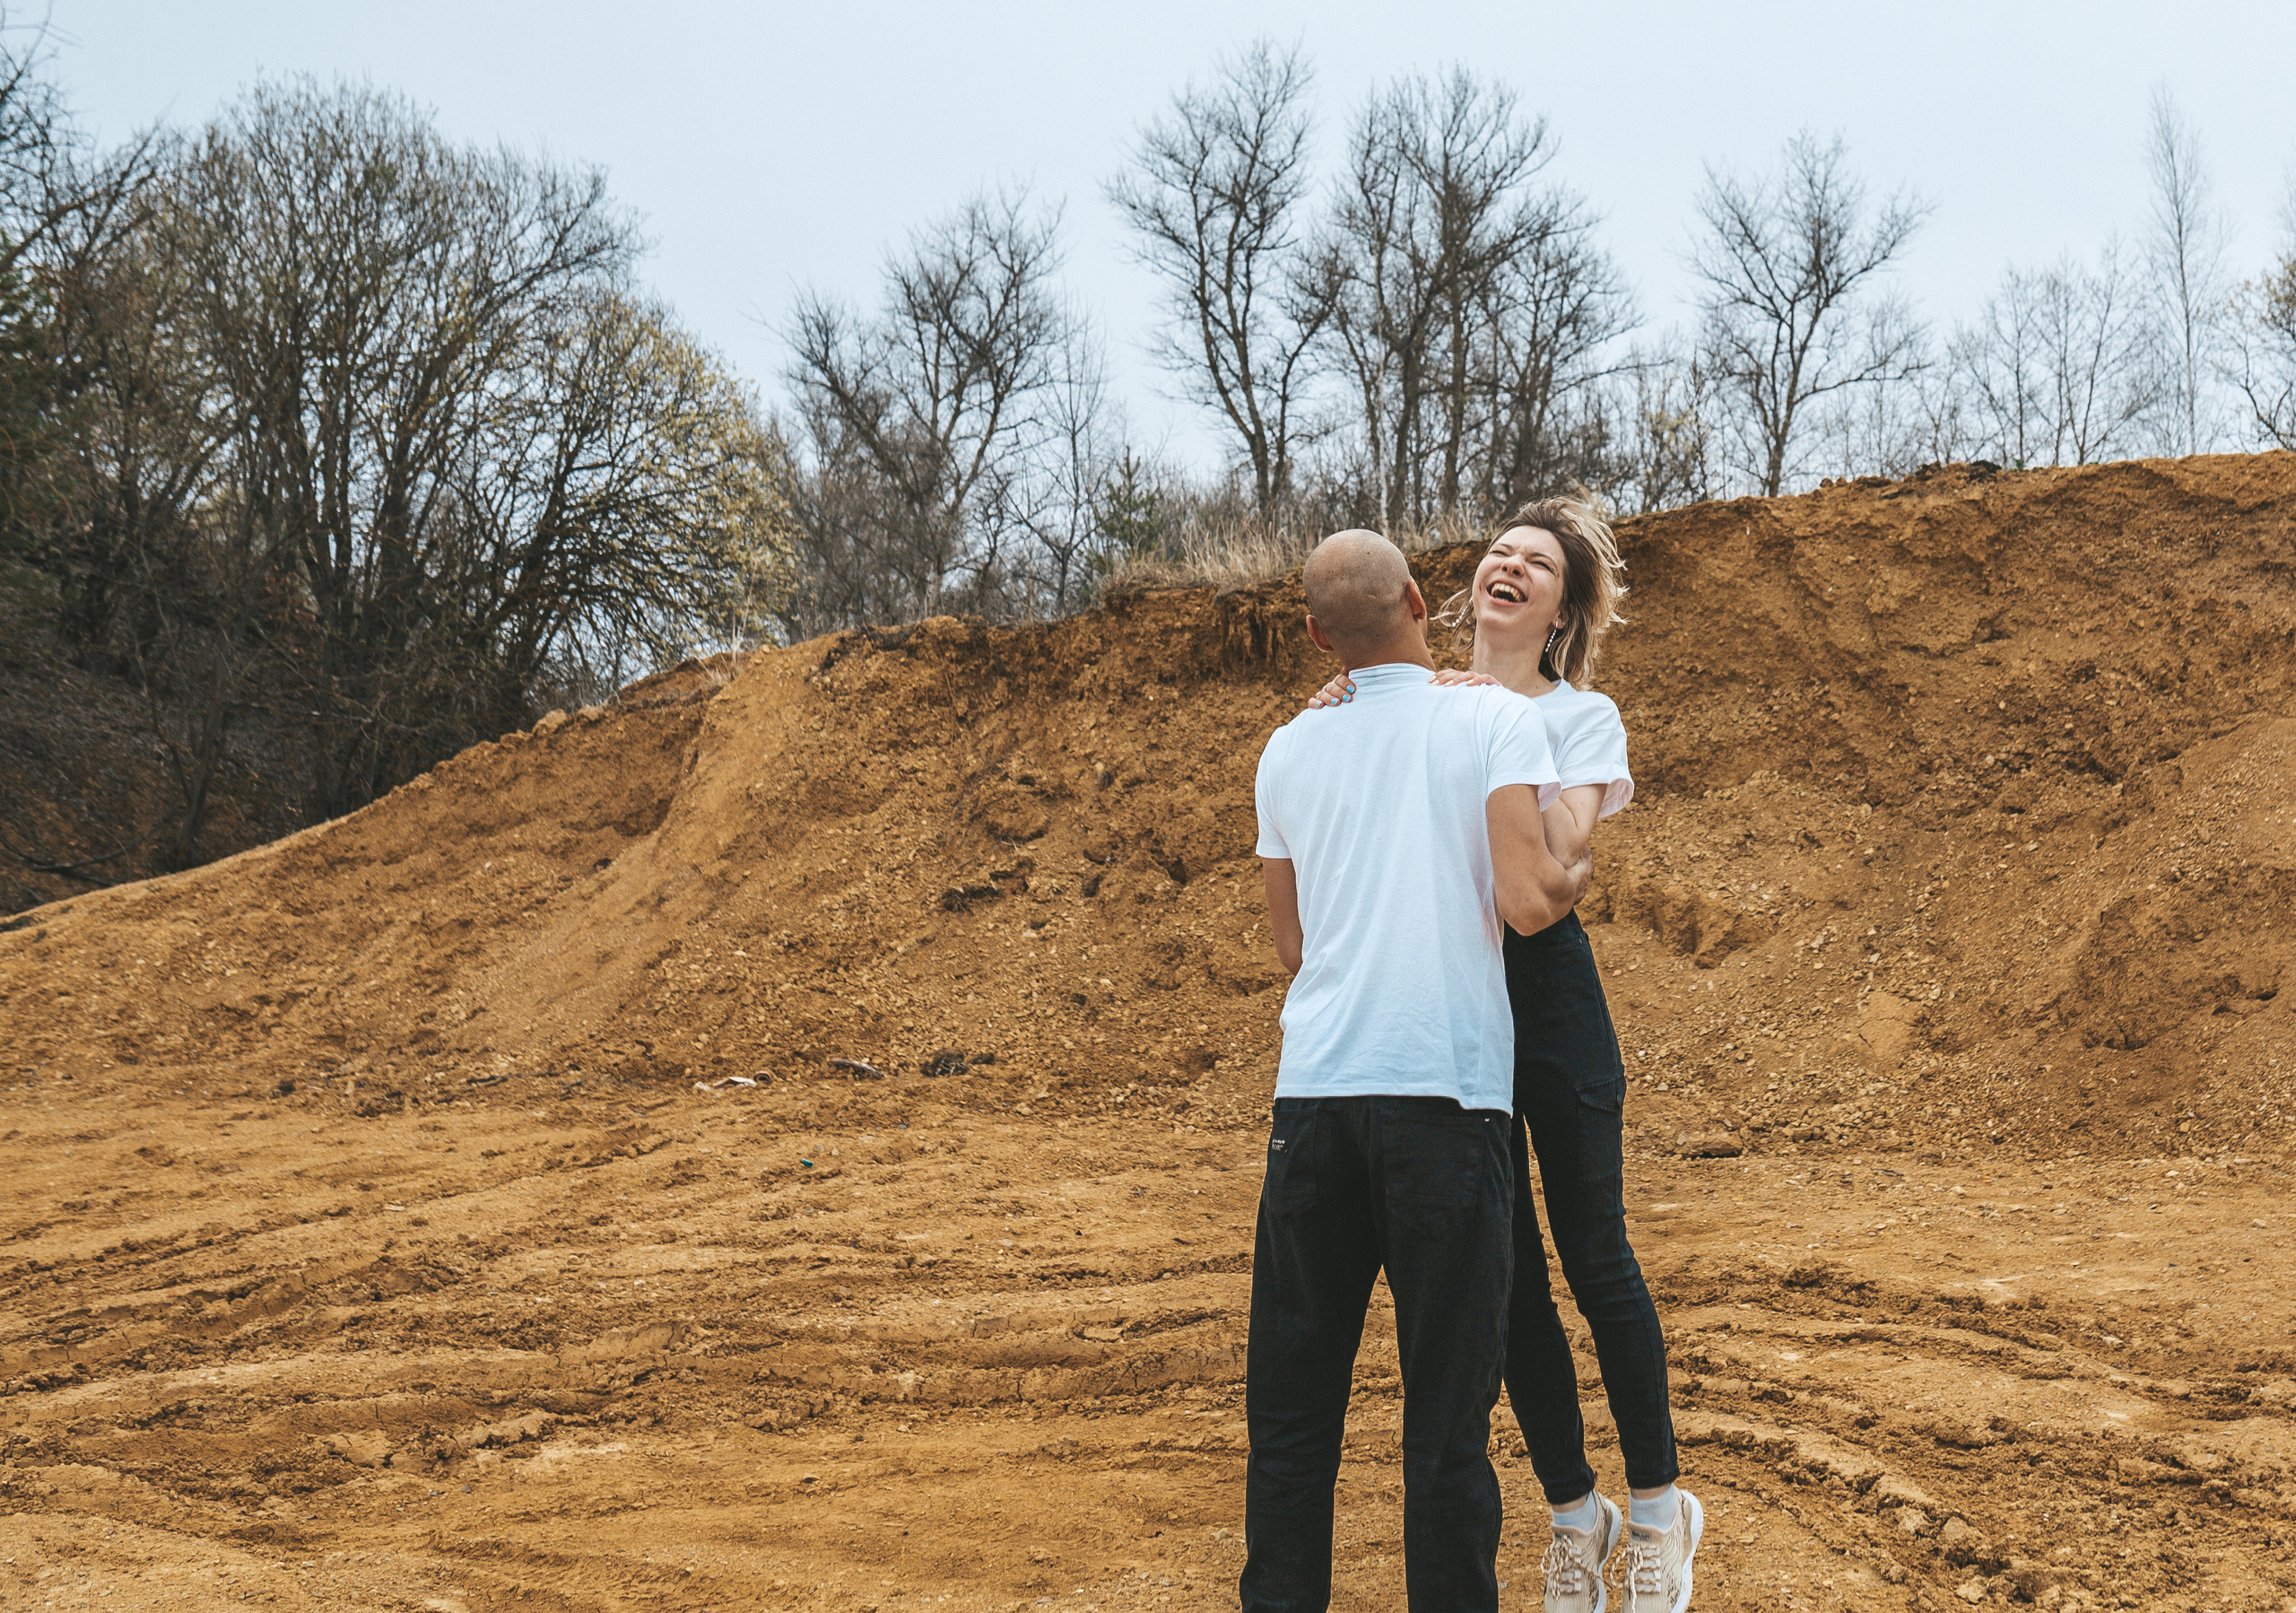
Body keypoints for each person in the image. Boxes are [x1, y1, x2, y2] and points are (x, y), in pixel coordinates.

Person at [1307, 498, 1701, 1613]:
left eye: (1537, 563)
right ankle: (1577, 1515)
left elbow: (1560, 857)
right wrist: (1354, 703)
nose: (1509, 567)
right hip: (1449, 1005)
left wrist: (1499, 731)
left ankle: (1662, 1513)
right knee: (1505, 1280)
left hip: (1551, 1002)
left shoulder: (1581, 715)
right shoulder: (1412, 702)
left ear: (1563, 607)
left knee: (1596, 1255)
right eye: (1498, 553)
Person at [1245, 528, 1585, 1613]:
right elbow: (1531, 899)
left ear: (1313, 633)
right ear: (1418, 602)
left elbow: (1293, 946)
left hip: (1314, 1105)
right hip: (1446, 1100)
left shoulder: (1287, 748)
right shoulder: (1490, 716)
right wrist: (1578, 853)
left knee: (1293, 1420)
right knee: (1445, 1428)